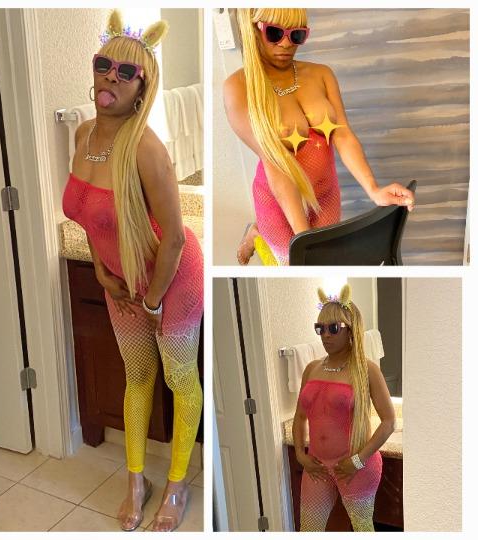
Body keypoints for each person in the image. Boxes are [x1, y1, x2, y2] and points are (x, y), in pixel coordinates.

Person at [62, 9, 203, 532]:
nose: (111, 78)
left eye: (126, 72)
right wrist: (102, 272)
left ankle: (178, 483)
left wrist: (153, 300)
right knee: (138, 375)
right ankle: (135, 481)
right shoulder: (83, 135)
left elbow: (176, 238)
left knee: (180, 378)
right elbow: (88, 215)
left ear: (143, 86)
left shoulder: (146, 149)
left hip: (172, 282)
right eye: (104, 65)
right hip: (120, 285)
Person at [223, 8, 415, 265]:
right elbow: (275, 162)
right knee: (291, 264)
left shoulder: (322, 74)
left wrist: (374, 190)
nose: (286, 44)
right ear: (255, 29)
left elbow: (343, 135)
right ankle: (257, 232)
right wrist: (304, 239)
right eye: (275, 33)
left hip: (325, 193)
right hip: (277, 200)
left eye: (297, 35)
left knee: (325, 260)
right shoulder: (238, 88)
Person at [292, 284, 395, 531]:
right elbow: (299, 417)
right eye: (320, 328)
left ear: (350, 329)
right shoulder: (311, 369)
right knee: (309, 530)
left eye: (333, 328)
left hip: (356, 467)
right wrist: (300, 455)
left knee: (362, 529)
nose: (325, 335)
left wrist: (358, 461)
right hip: (317, 467)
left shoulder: (367, 370)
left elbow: (389, 422)